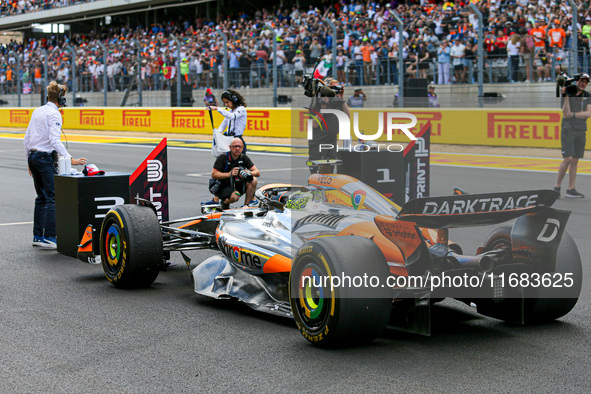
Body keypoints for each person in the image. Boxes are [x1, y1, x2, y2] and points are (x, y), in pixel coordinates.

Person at [24, 81, 87, 249]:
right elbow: (54, 140)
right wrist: (69, 158)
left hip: (33, 156)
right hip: (44, 157)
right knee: (52, 196)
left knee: (41, 197)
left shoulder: (37, 111)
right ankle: (51, 237)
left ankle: (38, 235)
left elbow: (27, 138)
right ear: (61, 99)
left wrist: (28, 161)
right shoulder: (54, 114)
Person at [554, 73, 591, 198]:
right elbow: (565, 112)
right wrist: (566, 96)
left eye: (586, 82)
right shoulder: (569, 93)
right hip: (568, 129)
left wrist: (574, 114)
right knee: (568, 158)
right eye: (582, 81)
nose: (583, 83)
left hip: (581, 129)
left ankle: (571, 188)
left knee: (575, 160)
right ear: (577, 81)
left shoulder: (587, 95)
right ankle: (557, 187)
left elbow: (588, 113)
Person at [211, 137, 260, 209]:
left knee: (254, 180)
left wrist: (248, 172)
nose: (237, 149)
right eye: (235, 146)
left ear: (242, 147)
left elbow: (257, 172)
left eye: (239, 146)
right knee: (235, 197)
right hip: (224, 185)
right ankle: (224, 203)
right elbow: (214, 174)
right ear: (230, 147)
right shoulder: (223, 157)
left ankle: (246, 205)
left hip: (238, 184)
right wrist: (229, 174)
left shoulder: (243, 157)